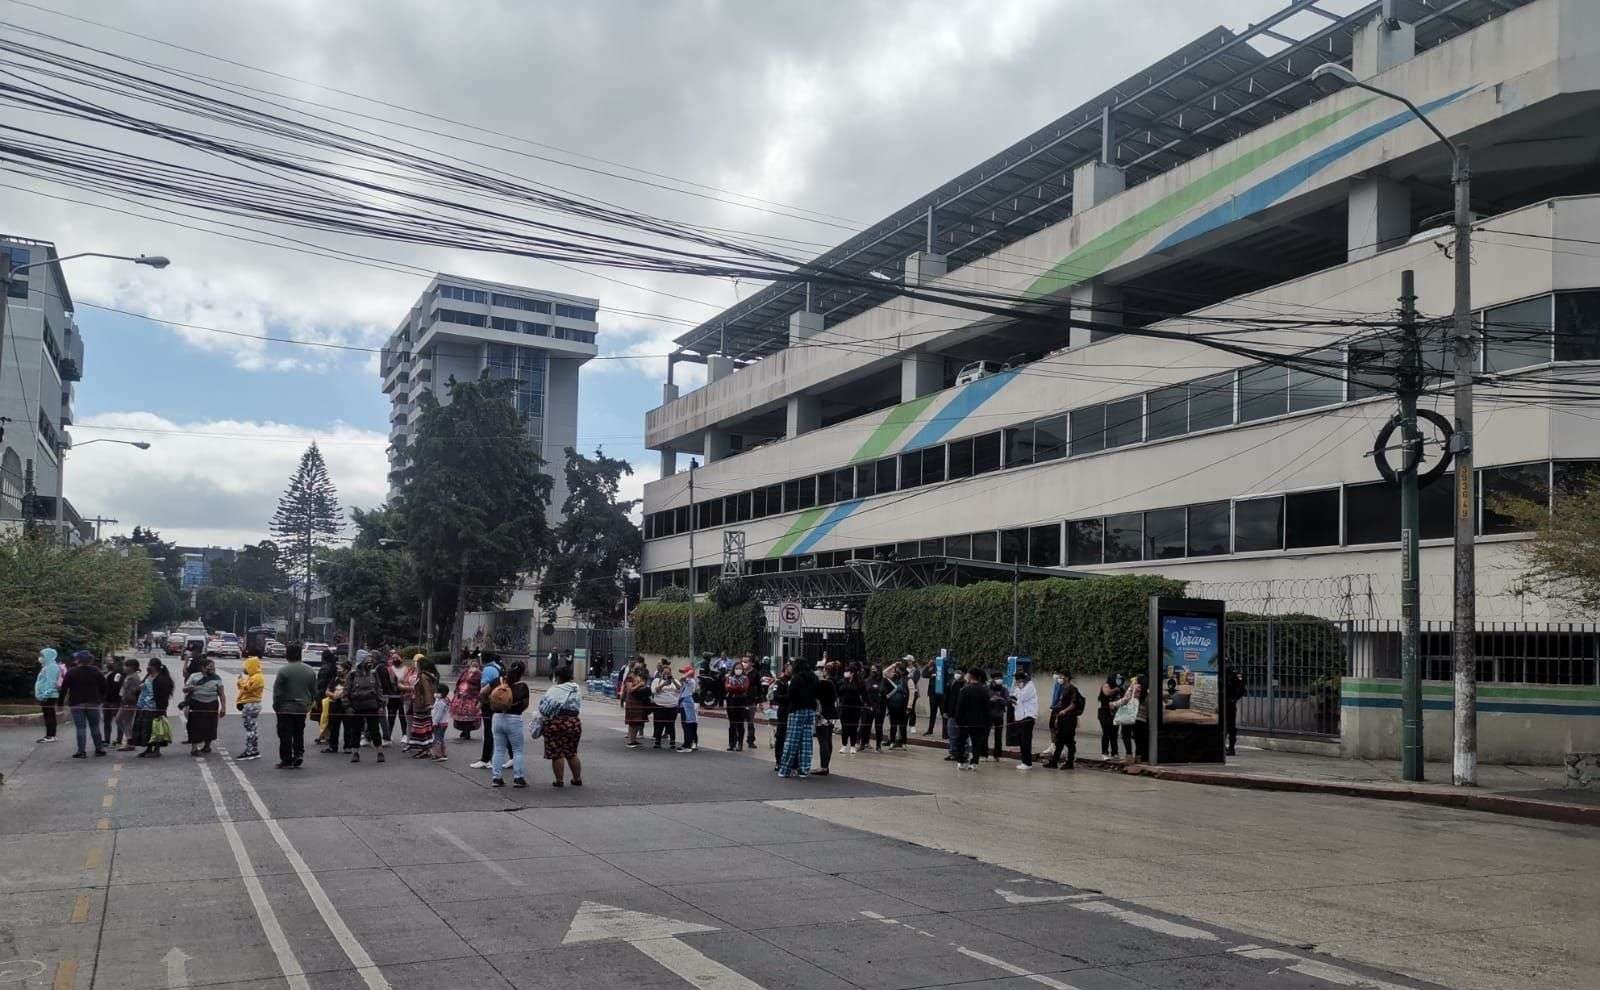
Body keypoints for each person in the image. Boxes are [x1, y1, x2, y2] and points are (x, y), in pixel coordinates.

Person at [272, 645, 318, 769]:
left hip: (285, 708)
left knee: (285, 734)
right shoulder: (310, 670)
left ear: (287, 655)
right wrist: (309, 704)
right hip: (302, 708)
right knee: (298, 732)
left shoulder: (283, 671)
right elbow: (314, 691)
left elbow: (277, 692)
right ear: (300, 655)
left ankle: (286, 759)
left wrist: (276, 706)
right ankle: (298, 754)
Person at [540, 665, 583, 786]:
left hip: (557, 723)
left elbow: (544, 707)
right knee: (572, 752)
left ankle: (559, 780)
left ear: (558, 677)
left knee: (557, 753)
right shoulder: (576, 688)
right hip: (574, 723)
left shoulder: (555, 689)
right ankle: (577, 778)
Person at [488, 660, 529, 787]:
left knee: (499, 749)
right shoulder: (522, 686)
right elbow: (525, 705)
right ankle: (518, 778)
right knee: (517, 750)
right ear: (522, 672)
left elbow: (483, 693)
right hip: (514, 719)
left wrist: (490, 704)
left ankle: (496, 778)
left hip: (497, 717)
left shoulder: (497, 682)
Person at [62, 651, 108, 758]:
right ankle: (99, 749)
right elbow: (104, 686)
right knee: (95, 726)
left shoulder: (72, 672)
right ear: (90, 660)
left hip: (76, 703)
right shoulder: (96, 671)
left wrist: (60, 702)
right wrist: (101, 698)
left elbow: (64, 688)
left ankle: (81, 751)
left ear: (78, 660)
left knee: (80, 728)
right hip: (93, 702)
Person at [776, 660, 818, 779]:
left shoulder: (796, 679)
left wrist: (779, 698)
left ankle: (785, 769)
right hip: (810, 710)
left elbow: (790, 696)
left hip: (797, 710)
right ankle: (804, 769)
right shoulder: (814, 678)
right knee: (806, 742)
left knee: (792, 741)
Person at [344, 652, 385, 764]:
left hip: (372, 706)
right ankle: (355, 753)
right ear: (361, 661)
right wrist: (348, 707)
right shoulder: (352, 675)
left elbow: (379, 690)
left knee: (375, 730)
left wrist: (381, 705)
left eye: (371, 659)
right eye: (367, 659)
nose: (370, 662)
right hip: (356, 706)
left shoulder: (374, 674)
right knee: (355, 731)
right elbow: (346, 692)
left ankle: (380, 752)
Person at [182, 658, 225, 757]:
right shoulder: (194, 676)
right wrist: (189, 688)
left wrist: (223, 708)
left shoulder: (217, 678)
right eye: (209, 667)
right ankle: (194, 748)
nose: (211, 669)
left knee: (210, 725)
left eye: (213, 667)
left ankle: (207, 746)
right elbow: (184, 689)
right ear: (202, 668)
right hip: (197, 704)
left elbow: (221, 694)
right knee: (194, 726)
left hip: (212, 704)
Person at [134, 659, 175, 758]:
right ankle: (148, 749)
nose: (147, 667)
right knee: (146, 730)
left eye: (149, 665)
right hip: (145, 707)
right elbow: (141, 686)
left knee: (156, 730)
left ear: (154, 666)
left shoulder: (162, 679)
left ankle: (156, 750)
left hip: (155, 709)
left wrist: (160, 710)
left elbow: (163, 696)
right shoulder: (149, 676)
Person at [1044, 672, 1085, 769]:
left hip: (1069, 718)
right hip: (1063, 718)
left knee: (1069, 741)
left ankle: (1070, 762)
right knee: (1059, 740)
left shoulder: (1072, 689)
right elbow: (1062, 703)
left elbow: (1073, 704)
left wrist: (1064, 711)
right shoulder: (1063, 689)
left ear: (1067, 678)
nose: (1059, 678)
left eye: (1061, 676)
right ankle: (1054, 762)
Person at [953, 668, 991, 769]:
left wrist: (958, 720)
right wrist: (988, 722)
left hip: (965, 722)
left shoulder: (965, 690)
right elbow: (987, 709)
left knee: (961, 742)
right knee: (976, 743)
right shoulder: (984, 690)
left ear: (971, 677)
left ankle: (961, 762)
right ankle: (974, 763)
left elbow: (960, 707)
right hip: (979, 722)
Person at [470, 653, 502, 769]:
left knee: (488, 732)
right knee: (497, 732)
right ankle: (506, 757)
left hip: (489, 704)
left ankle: (486, 759)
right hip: (498, 703)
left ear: (482, 659)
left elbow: (484, 690)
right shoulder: (498, 667)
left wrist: (480, 703)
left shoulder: (488, 670)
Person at [409, 657, 441, 759]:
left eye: (417, 664)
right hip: (425, 705)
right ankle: (425, 749)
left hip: (422, 706)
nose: (415, 665)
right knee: (426, 728)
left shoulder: (423, 676)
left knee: (421, 729)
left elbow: (427, 691)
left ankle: (425, 750)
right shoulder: (430, 675)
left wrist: (428, 704)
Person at [235, 656, 265, 761]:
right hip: (250, 704)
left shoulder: (257, 677)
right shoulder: (253, 677)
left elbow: (247, 688)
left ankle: (250, 751)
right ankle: (253, 750)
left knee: (250, 729)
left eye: (246, 667)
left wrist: (240, 681)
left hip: (251, 704)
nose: (245, 669)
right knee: (252, 728)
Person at [1010, 668, 1038, 770]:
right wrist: (1013, 699)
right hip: (1020, 718)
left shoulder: (1030, 687)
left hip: (1028, 718)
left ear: (1024, 680)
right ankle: (1024, 761)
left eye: (1018, 681)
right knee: (1022, 741)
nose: (1017, 683)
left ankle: (1027, 762)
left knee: (1026, 741)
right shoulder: (1019, 688)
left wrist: (1015, 698)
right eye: (1016, 681)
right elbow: (1014, 699)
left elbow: (1021, 698)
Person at [814, 661, 838, 776]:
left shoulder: (821, 684)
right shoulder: (832, 683)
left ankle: (823, 767)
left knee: (822, 740)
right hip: (832, 712)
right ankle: (826, 766)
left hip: (822, 713)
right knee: (828, 740)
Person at [450, 657, 483, 740]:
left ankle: (467, 732)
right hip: (461, 697)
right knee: (460, 715)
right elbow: (459, 682)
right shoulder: (465, 672)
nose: (474, 667)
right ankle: (464, 731)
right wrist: (456, 692)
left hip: (471, 697)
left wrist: (478, 697)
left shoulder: (479, 674)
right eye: (472, 664)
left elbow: (480, 686)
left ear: (478, 666)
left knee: (469, 716)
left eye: (476, 665)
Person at [34, 647, 62, 743]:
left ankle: (50, 736)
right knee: (49, 715)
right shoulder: (47, 666)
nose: (40, 657)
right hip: (47, 695)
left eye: (42, 655)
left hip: (49, 696)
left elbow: (51, 683)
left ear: (48, 656)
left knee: (49, 715)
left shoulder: (51, 667)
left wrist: (44, 695)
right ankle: (50, 735)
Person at [649, 661, 680, 750]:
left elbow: (679, 689)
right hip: (660, 706)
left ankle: (672, 742)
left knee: (671, 724)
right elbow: (654, 691)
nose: (666, 674)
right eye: (664, 672)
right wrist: (663, 684)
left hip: (672, 706)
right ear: (661, 673)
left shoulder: (675, 681)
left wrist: (672, 680)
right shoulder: (657, 680)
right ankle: (658, 742)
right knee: (659, 724)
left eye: (668, 672)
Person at [723, 659, 752, 751]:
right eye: (736, 668)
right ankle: (731, 743)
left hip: (741, 702)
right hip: (731, 701)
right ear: (733, 669)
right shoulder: (729, 677)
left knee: (740, 724)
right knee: (732, 724)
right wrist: (737, 688)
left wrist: (733, 688)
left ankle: (740, 744)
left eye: (740, 668)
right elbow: (727, 687)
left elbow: (744, 688)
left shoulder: (745, 678)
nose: (738, 669)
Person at [836, 664, 865, 755]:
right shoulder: (842, 682)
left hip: (855, 708)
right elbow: (838, 692)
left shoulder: (859, 683)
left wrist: (868, 704)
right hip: (844, 708)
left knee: (853, 727)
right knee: (844, 727)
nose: (846, 673)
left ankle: (852, 746)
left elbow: (864, 694)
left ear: (852, 673)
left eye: (848, 671)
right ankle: (844, 745)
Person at [115, 659, 142, 752]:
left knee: (123, 721)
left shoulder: (133, 678)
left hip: (129, 703)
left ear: (131, 667)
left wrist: (127, 699)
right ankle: (130, 740)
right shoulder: (129, 676)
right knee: (123, 721)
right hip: (125, 702)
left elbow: (134, 691)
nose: (124, 668)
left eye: (126, 666)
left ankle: (130, 741)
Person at [1119, 674, 1147, 763]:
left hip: (1131, 715)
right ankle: (1138, 757)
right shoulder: (1148, 691)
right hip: (1142, 718)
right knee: (1139, 737)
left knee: (1125, 734)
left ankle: (1129, 756)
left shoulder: (1134, 688)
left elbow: (1126, 699)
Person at [622, 659, 650, 749]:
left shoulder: (639, 676)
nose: (639, 669)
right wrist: (639, 685)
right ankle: (631, 740)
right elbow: (630, 690)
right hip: (632, 701)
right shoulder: (629, 677)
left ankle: (634, 740)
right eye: (637, 668)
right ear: (633, 668)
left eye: (640, 668)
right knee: (632, 722)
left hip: (639, 700)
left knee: (638, 721)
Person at [883, 662, 911, 750]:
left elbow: (912, 694)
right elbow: (884, 673)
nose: (896, 671)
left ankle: (904, 743)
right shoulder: (893, 678)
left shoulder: (908, 680)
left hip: (903, 706)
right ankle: (892, 742)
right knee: (893, 725)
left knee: (903, 726)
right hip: (892, 706)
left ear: (902, 671)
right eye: (896, 670)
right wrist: (893, 664)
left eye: (898, 670)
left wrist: (909, 706)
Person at [379, 651, 404, 742]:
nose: (395, 659)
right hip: (392, 696)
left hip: (402, 696)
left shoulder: (405, 669)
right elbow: (386, 683)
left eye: (397, 657)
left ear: (402, 658)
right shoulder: (388, 670)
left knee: (403, 716)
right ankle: (388, 736)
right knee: (391, 716)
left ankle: (405, 735)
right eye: (393, 658)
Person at [1097, 675, 1123, 758]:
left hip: (1115, 713)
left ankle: (1115, 752)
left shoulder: (1120, 689)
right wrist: (1116, 689)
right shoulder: (1106, 685)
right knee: (1106, 733)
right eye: (1117, 679)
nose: (1119, 681)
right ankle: (1104, 753)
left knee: (1114, 733)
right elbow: (1107, 692)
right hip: (1105, 713)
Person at [101, 653, 124, 745]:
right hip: (107, 701)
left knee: (118, 721)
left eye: (110, 661)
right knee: (107, 721)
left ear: (116, 663)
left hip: (114, 701)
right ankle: (107, 739)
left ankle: (118, 740)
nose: (107, 663)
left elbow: (115, 687)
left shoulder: (117, 674)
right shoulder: (108, 673)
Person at [676, 665, 699, 753]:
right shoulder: (686, 681)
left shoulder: (691, 680)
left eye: (685, 672)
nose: (683, 673)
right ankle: (686, 743)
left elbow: (683, 677)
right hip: (683, 704)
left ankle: (687, 745)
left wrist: (688, 672)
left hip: (687, 704)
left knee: (687, 725)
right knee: (684, 725)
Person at [863, 664, 886, 752]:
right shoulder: (867, 680)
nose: (873, 671)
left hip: (880, 707)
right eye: (872, 670)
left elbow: (886, 694)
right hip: (869, 707)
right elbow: (864, 693)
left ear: (879, 671)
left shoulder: (884, 681)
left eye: (875, 670)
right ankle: (864, 743)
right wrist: (866, 704)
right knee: (866, 726)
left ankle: (878, 746)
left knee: (878, 727)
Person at [1225, 667, 1247, 756]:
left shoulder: (1233, 674)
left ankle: (1231, 748)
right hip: (1219, 703)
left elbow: (1242, 689)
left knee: (1230, 727)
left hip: (1229, 704)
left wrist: (1234, 699)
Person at [988, 674, 1009, 763]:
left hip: (999, 715)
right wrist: (990, 700)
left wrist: (1001, 700)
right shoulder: (987, 689)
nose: (999, 680)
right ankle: (983, 753)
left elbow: (1007, 701)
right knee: (984, 735)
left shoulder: (1004, 689)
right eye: (997, 678)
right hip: (988, 715)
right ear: (993, 679)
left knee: (998, 736)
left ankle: (997, 755)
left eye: (1000, 678)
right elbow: (983, 700)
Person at [922, 658, 943, 736]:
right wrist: (928, 665)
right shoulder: (933, 667)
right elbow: (924, 674)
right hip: (933, 693)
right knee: (933, 713)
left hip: (942, 694)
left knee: (943, 712)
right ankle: (930, 730)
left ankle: (945, 732)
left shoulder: (944, 667)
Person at [429, 688, 450, 763]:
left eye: (438, 692)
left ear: (442, 693)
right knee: (441, 738)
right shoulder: (442, 700)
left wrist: (435, 722)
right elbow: (436, 708)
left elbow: (439, 714)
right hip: (443, 723)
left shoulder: (441, 702)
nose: (435, 693)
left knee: (437, 739)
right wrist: (432, 707)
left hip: (440, 723)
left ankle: (439, 755)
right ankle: (442, 754)